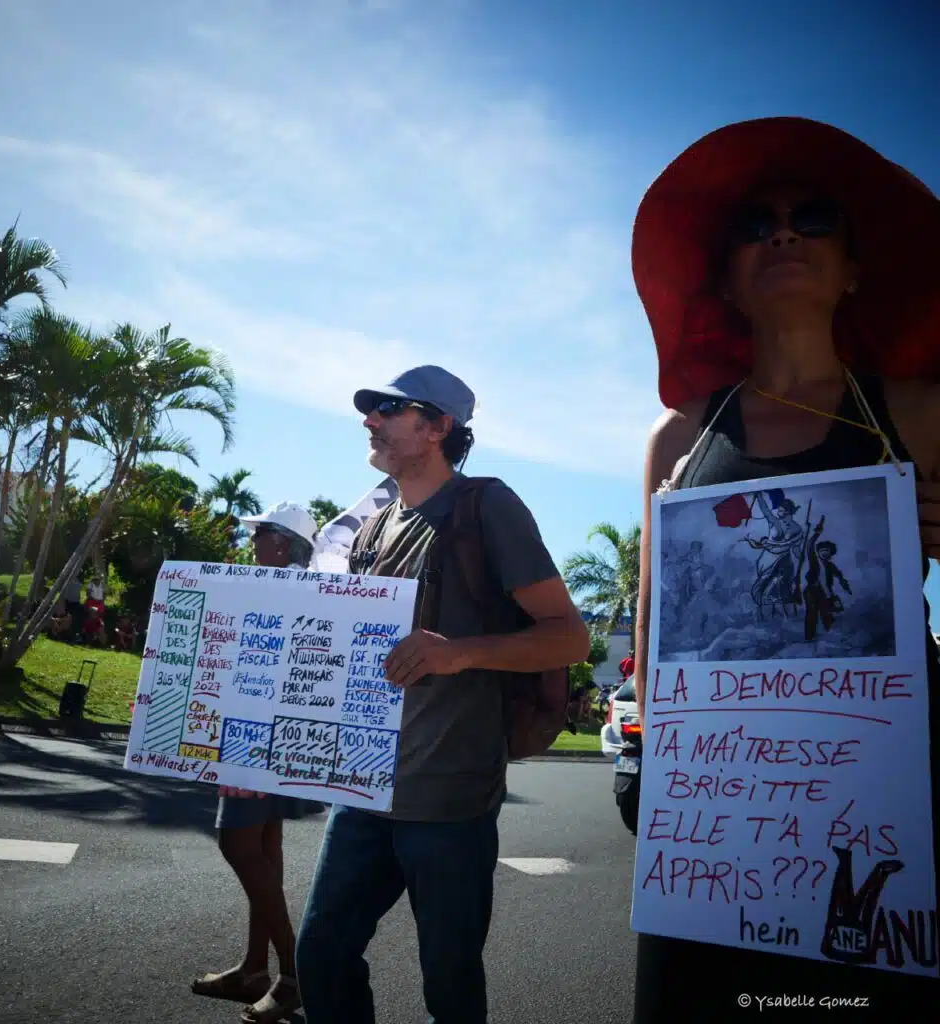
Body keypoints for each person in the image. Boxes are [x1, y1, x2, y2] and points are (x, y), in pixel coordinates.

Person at [631, 117, 940, 1021]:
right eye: (753, 225)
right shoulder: (681, 440)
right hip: (717, 815)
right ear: (725, 280)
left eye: (813, 218)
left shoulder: (919, 414)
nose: (783, 233)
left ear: (853, 268)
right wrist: (654, 772)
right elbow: (655, 641)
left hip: (886, 797)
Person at [294, 365, 590, 1024]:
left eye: (389, 410)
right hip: (366, 791)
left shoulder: (486, 506)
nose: (370, 420)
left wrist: (459, 653)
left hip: (451, 798)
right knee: (320, 956)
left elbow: (569, 637)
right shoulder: (372, 529)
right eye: (372, 411)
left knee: (449, 983)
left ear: (436, 428)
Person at [191, 500, 325, 1024]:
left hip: (253, 738)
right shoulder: (298, 587)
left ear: (281, 543)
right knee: (265, 849)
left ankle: (293, 973)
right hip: (275, 737)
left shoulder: (274, 590)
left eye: (261, 533)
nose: (253, 542)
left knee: (239, 844)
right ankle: (253, 968)